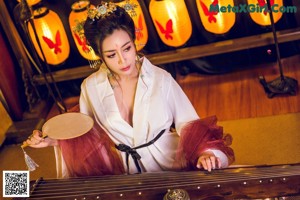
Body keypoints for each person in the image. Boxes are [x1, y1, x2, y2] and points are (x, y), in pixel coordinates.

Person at [25, 2, 234, 178]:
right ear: (99, 55)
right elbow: (88, 134)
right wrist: (55, 140)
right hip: (122, 169)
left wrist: (205, 153)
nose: (123, 60)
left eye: (127, 48)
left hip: (170, 161)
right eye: (111, 54)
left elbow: (189, 124)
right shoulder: (91, 87)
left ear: (135, 43)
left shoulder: (161, 80)